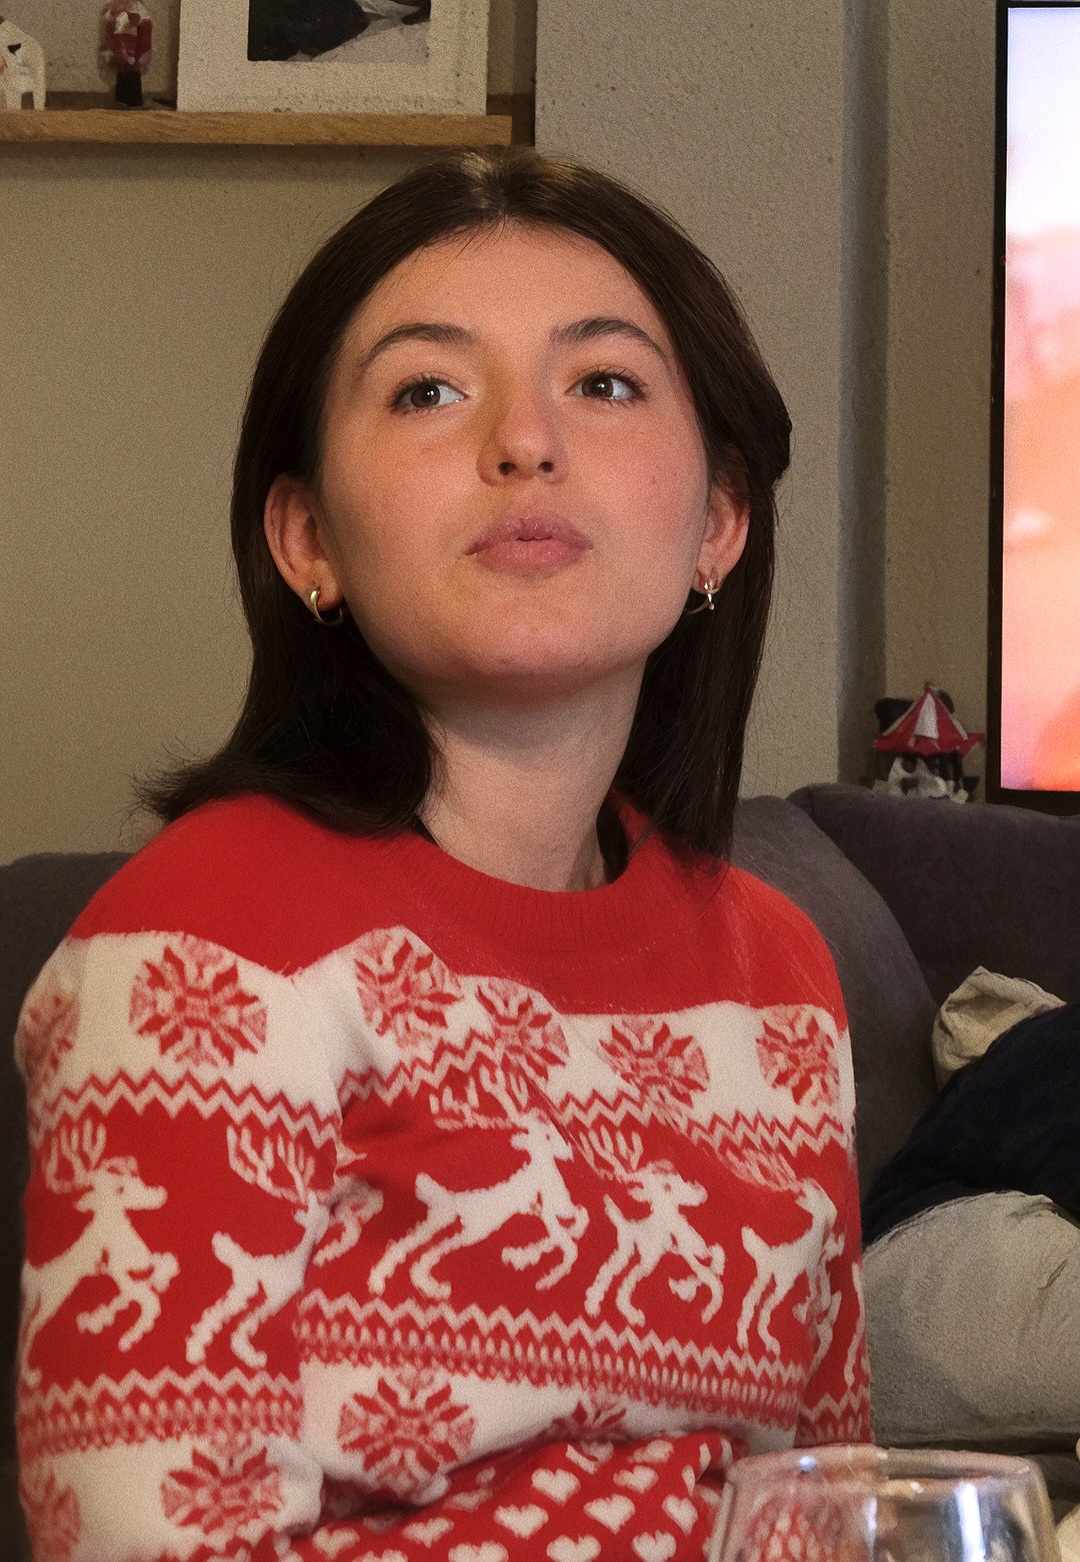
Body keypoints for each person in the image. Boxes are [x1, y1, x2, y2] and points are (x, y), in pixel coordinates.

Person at [15, 148, 869, 1562]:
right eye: (428, 390)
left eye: (605, 383)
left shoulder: (778, 976)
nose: (524, 442)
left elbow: (836, 1512)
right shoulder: (203, 948)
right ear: (307, 539)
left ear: (720, 519)